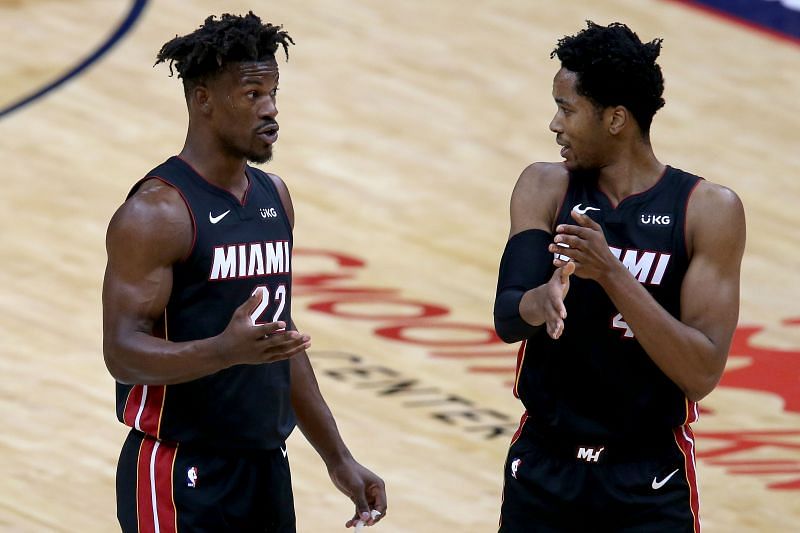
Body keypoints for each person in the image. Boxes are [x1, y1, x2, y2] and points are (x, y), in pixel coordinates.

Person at [102, 12, 386, 532]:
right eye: (252, 94)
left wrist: (337, 457)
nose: (271, 109)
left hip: (264, 467)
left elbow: (278, 345)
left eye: (273, 92)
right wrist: (223, 351)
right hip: (178, 470)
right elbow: (121, 353)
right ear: (203, 100)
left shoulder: (273, 197)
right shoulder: (157, 214)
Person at [493, 21, 745, 532]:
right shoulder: (545, 187)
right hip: (544, 465)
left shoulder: (705, 211)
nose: (554, 124)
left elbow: (701, 374)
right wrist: (543, 300)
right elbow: (507, 315)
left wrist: (612, 274)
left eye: (567, 109)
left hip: (646, 479)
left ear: (615, 119)